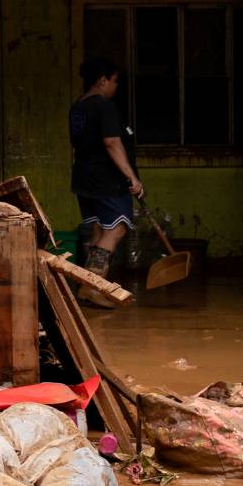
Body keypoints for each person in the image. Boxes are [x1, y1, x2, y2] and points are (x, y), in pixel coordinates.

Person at [69, 56, 144, 309]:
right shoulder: (104, 106)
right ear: (102, 80)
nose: (116, 86)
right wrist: (131, 177)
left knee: (99, 231)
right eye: (114, 81)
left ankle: (89, 287)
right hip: (106, 180)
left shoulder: (77, 107)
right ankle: (92, 287)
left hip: (84, 177)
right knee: (116, 230)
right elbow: (112, 143)